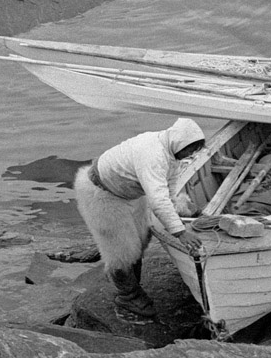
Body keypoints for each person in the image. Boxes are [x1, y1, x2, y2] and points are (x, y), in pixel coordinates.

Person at [73, 118, 206, 320]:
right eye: (189, 149)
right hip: (100, 193)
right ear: (179, 142)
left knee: (141, 239)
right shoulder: (152, 154)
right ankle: (128, 296)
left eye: (194, 150)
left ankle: (133, 282)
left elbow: (167, 191)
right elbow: (158, 200)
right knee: (123, 252)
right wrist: (180, 232)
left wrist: (185, 211)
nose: (191, 154)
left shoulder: (170, 152)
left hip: (127, 192)